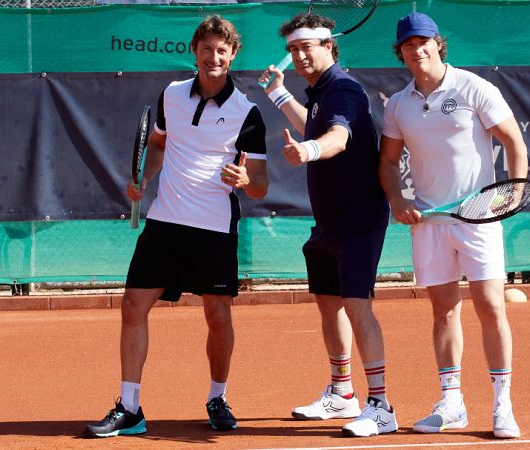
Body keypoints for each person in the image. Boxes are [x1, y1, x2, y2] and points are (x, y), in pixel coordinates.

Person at [84, 15, 269, 438]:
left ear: (233, 54)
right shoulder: (171, 95)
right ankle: (129, 408)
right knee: (133, 306)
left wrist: (245, 181)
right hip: (165, 221)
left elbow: (260, 183)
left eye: (222, 50)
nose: (214, 57)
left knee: (217, 315)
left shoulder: (248, 112)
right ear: (195, 51)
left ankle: (216, 397)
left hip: (213, 227)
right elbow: (161, 145)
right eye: (207, 48)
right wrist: (144, 178)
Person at [378, 12, 528, 439]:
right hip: (429, 220)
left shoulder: (473, 87)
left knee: (491, 307)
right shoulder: (398, 104)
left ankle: (502, 405)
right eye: (409, 44)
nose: (417, 49)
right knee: (444, 310)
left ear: (437, 44)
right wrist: (398, 198)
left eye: (424, 41)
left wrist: (512, 192)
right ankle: (452, 402)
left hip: (479, 216)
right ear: (401, 52)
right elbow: (388, 162)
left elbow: (513, 141)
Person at [258, 13, 395, 438]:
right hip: (329, 220)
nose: (299, 56)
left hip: (359, 218)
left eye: (308, 47)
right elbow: (311, 124)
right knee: (328, 302)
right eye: (294, 49)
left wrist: (311, 151)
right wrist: (279, 95)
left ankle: (381, 406)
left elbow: (337, 137)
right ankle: (342, 393)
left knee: (356, 306)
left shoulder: (345, 90)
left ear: (329, 47)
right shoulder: (319, 92)